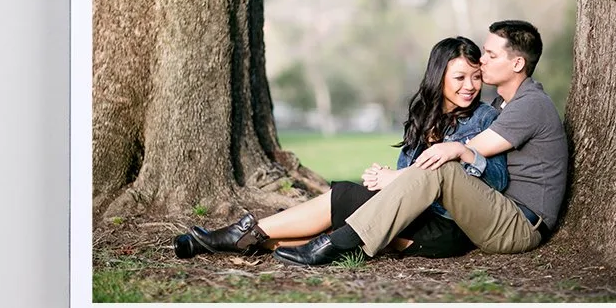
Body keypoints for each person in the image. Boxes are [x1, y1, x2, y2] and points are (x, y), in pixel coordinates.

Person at [176, 36, 508, 260]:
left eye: (476, 77)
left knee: (346, 197)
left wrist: (399, 178)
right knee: (349, 210)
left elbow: (496, 181)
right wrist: (385, 180)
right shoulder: (425, 117)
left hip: (449, 228)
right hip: (410, 216)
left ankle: (236, 234)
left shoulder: (485, 118)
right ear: (439, 77)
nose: (471, 86)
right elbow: (407, 184)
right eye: (460, 77)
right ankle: (245, 242)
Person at [273, 19, 569, 267]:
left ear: (517, 63)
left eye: (491, 55)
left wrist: (400, 175)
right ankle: (288, 238)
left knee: (443, 165)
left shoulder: (531, 104)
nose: (483, 60)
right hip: (496, 214)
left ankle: (340, 242)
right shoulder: (505, 104)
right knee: (407, 176)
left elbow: (472, 150)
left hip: (519, 226)